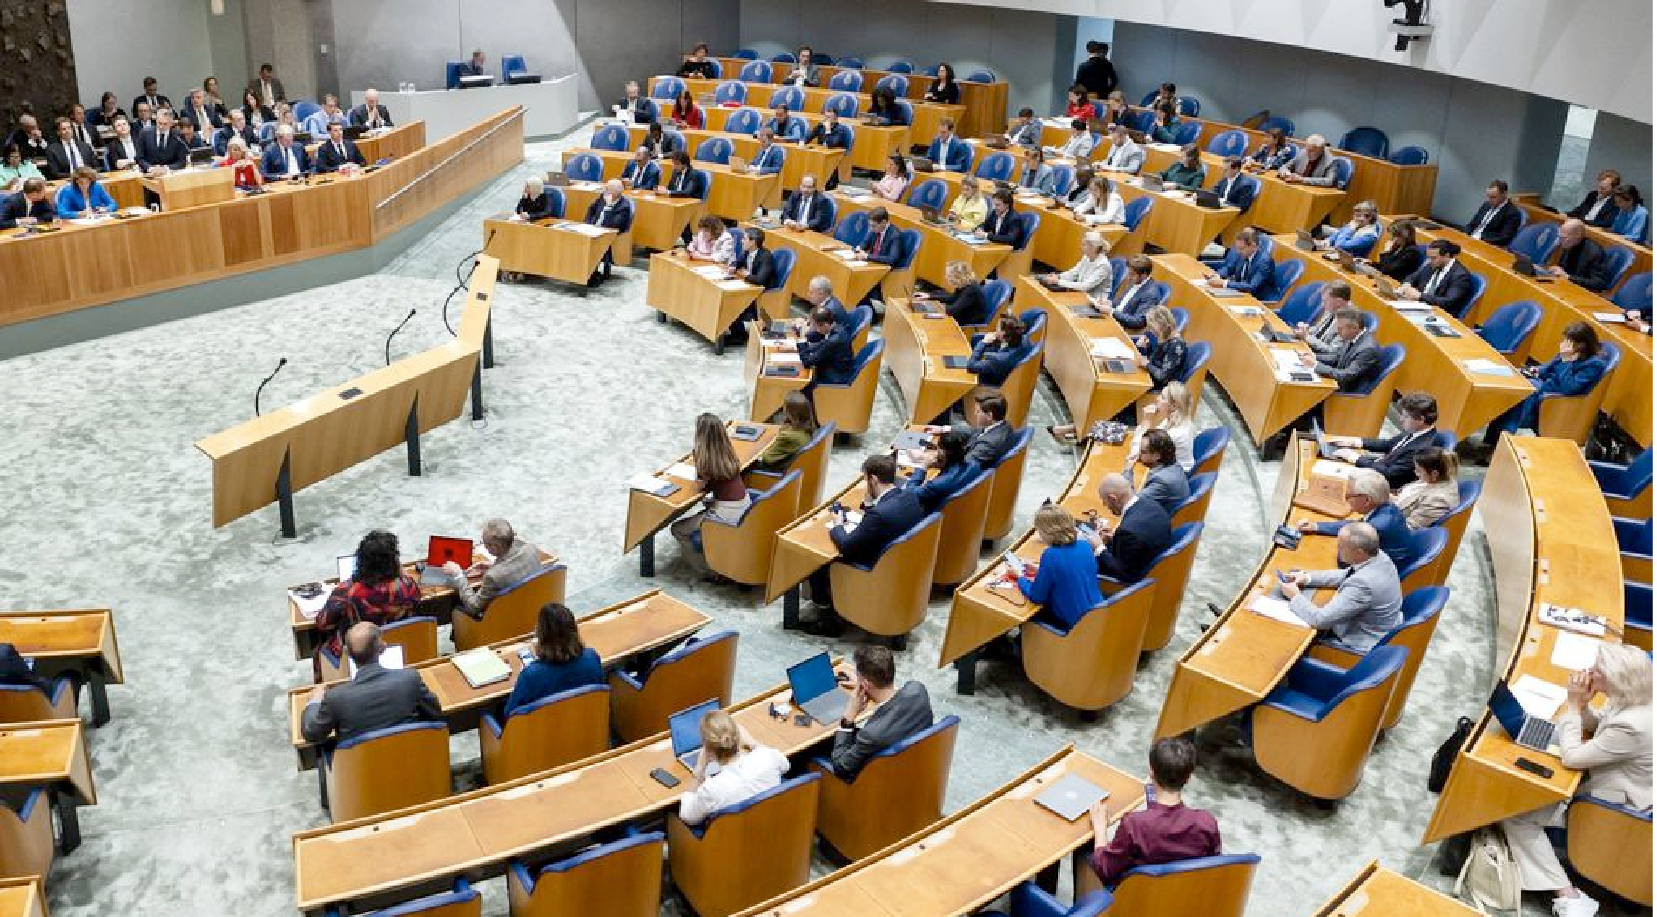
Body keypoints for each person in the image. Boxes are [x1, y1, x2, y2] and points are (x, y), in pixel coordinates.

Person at [1500, 644, 1652, 917]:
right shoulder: (1637, 695)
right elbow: (1599, 724)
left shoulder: (1632, 725)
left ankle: (1567, 895)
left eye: (1598, 670)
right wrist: (1583, 705)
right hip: (1614, 785)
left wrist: (1572, 706)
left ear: (1615, 678)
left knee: (1516, 815)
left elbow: (1571, 757)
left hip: (1619, 812)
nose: (1589, 671)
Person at [806, 456, 927, 636]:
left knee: (815, 562)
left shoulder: (878, 514)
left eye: (866, 480)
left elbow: (846, 545)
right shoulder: (910, 496)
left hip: (875, 568)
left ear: (874, 479)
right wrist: (870, 504)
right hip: (901, 562)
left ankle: (828, 622)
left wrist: (838, 524)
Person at [1088, 736, 1221, 888]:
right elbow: (1214, 866)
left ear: (1151, 772)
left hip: (1136, 896)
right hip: (1183, 894)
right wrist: (1151, 791)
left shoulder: (1134, 824)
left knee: (1084, 850)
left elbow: (1104, 868)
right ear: (1189, 778)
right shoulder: (1206, 822)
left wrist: (1100, 829)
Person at [300, 622, 440, 743]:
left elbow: (311, 733)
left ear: (347, 653)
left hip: (361, 766)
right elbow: (435, 712)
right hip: (411, 757)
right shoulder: (410, 679)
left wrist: (315, 701)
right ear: (383, 648)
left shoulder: (335, 698)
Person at [1275, 522, 1402, 652]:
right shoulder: (1379, 556)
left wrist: (1295, 596)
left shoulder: (1363, 585)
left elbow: (1320, 620)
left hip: (1362, 642)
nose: (1337, 549)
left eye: (1341, 546)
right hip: (1383, 625)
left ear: (1359, 552)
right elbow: (1346, 574)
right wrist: (1307, 578)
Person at [313, 530, 421, 678]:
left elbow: (322, 623)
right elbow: (417, 601)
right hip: (401, 646)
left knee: (318, 645)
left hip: (360, 655)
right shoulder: (407, 585)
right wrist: (400, 573)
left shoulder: (347, 592)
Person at [1485, 322, 1610, 439]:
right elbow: (1548, 367)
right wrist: (1535, 370)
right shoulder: (1571, 352)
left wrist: (1566, 361)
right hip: (1544, 384)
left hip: (1555, 397)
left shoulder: (1594, 364)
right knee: (1514, 385)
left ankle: (1504, 435)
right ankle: (1492, 438)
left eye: (1568, 341)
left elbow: (1569, 387)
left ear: (1581, 345)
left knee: (1527, 389)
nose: (1564, 344)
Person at [828, 645, 934, 776]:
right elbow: (896, 694)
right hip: (915, 768)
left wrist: (848, 718)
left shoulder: (870, 734)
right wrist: (864, 684)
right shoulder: (918, 690)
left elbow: (840, 766)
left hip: (877, 780)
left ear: (866, 684)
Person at [669, 414, 752, 579]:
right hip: (743, 505)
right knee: (707, 504)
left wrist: (697, 458)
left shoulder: (706, 460)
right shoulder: (728, 452)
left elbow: (700, 486)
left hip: (727, 514)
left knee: (678, 529)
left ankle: (711, 572)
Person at [678, 709, 789, 826]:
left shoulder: (711, 789)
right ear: (738, 737)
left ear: (708, 750)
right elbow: (785, 765)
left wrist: (699, 769)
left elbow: (687, 816)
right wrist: (753, 743)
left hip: (734, 835)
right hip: (772, 826)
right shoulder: (767, 757)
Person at [502, 603, 603, 717]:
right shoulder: (592, 657)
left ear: (541, 635)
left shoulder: (530, 676)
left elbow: (509, 716)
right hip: (586, 722)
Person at [1324, 392, 1442, 489]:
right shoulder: (1417, 431)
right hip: (1379, 466)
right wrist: (1354, 442)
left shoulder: (1422, 448)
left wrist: (1356, 458)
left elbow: (1390, 474)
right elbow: (1388, 444)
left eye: (1405, 416)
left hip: (1382, 484)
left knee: (1330, 480)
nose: (1400, 419)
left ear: (1421, 419)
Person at [1298, 468, 1412, 567]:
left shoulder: (1376, 526)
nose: (1346, 500)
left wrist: (1341, 544)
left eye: (1349, 496)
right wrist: (1316, 526)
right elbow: (1355, 525)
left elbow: (1345, 561)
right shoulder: (1389, 507)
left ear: (1367, 500)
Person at [1019, 504, 1105, 630]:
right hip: (1098, 615)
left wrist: (1020, 577)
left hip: (1073, 625)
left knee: (1026, 616)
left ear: (1047, 532)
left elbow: (1037, 597)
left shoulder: (1051, 554)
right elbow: (1070, 573)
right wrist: (1038, 570)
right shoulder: (1085, 545)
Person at [438, 518, 543, 620]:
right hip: (532, 608)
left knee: (455, 607)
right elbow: (515, 567)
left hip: (503, 620)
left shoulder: (493, 576)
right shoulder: (532, 549)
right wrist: (493, 565)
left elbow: (473, 607)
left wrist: (458, 575)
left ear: (495, 547)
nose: (485, 547)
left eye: (485, 544)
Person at [1081, 472, 1173, 583]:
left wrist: (1098, 548)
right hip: (1158, 567)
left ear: (1113, 499)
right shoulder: (1152, 505)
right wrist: (1114, 538)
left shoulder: (1128, 532)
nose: (1105, 506)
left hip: (1134, 583)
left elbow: (1123, 574)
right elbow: (1135, 546)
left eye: (1104, 502)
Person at [1302, 307, 1381, 394]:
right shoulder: (1353, 335)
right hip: (1335, 379)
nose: (1337, 332)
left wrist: (1316, 365)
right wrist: (1313, 356)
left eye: (1340, 328)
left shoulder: (1367, 349)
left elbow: (1346, 375)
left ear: (1354, 328)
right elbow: (1337, 357)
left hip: (1344, 391)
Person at [904, 428, 979, 513]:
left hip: (928, 512)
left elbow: (910, 493)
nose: (936, 451)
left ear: (943, 451)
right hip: (965, 507)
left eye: (937, 448)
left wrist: (922, 466)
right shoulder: (973, 465)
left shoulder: (937, 485)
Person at [1398, 239, 1474, 316]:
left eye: (1433, 258)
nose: (1429, 260)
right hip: (1418, 306)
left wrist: (1420, 296)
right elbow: (1413, 277)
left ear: (1446, 255)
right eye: (1429, 257)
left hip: (1438, 314)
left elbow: (1448, 301)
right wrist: (1407, 284)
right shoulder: (1433, 264)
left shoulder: (1461, 275)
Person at [1393, 447, 1460, 529]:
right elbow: (1406, 497)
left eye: (1418, 470)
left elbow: (1409, 527)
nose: (1415, 473)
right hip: (1392, 508)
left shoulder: (1438, 500)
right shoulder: (1436, 478)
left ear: (1434, 473)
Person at [947, 389, 1015, 469]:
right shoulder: (1004, 426)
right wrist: (945, 429)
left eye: (978, 411)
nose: (975, 414)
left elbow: (964, 469)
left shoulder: (987, 444)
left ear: (989, 416)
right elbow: (974, 432)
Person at [754, 392, 818, 472]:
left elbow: (767, 458)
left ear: (790, 413)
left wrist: (758, 452)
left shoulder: (787, 436)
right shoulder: (808, 428)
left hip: (772, 469)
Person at [795, 305, 855, 388]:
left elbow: (807, 362)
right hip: (836, 366)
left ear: (825, 325)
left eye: (815, 326)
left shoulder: (833, 340)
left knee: (801, 372)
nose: (814, 329)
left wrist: (801, 341)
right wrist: (803, 345)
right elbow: (821, 344)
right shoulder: (837, 327)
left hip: (836, 376)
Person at [585, 180, 633, 284]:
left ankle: (591, 273)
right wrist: (588, 224)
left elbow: (612, 225)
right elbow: (591, 209)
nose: (605, 191)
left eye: (607, 189)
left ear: (615, 193)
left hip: (610, 233)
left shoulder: (624, 206)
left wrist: (609, 207)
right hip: (593, 228)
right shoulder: (602, 197)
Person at [1042, 230, 1114, 298]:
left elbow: (1085, 286)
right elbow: (1073, 273)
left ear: (1093, 248)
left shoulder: (1103, 265)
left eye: (1084, 245)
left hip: (1094, 299)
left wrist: (1058, 281)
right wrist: (1058, 276)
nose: (1081, 247)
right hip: (1080, 293)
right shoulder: (1086, 257)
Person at [1135, 429, 1190, 515]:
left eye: (1143, 452)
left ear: (1157, 456)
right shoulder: (1173, 464)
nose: (1139, 454)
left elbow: (1133, 503)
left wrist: (1128, 470)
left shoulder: (1162, 481)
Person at [916, 261, 989, 326]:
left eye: (948, 275)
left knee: (927, 320)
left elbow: (951, 310)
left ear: (957, 277)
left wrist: (934, 307)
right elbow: (952, 298)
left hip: (967, 325)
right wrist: (929, 296)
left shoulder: (972, 290)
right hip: (960, 316)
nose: (946, 277)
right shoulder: (965, 284)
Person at [1206, 227, 1275, 295]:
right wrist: (1217, 275)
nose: (1238, 252)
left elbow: (1252, 286)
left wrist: (1224, 283)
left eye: (1241, 249)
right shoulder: (1242, 254)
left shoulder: (1264, 262)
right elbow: (1229, 268)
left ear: (1253, 246)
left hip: (1256, 297)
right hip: (1240, 292)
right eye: (1238, 248)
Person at [1548, 218, 1611, 291]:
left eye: (1564, 237)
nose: (1560, 241)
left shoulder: (1595, 253)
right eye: (1560, 237)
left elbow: (1598, 283)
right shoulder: (1569, 244)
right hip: (1566, 286)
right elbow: (1563, 269)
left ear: (1578, 235)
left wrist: (1568, 277)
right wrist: (1557, 270)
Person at [966, 314, 1027, 387]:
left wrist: (983, 342)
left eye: (997, 327)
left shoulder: (998, 359)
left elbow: (970, 367)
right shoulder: (1022, 338)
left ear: (1003, 334)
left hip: (986, 383)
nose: (995, 329)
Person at [1293, 281, 1352, 357]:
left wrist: (1307, 337)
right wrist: (1306, 330)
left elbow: (1333, 351)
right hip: (1310, 350)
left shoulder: (1349, 321)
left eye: (1325, 301)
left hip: (1321, 358)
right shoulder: (1334, 308)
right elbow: (1319, 329)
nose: (1323, 305)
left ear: (1339, 302)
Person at [1138, 306, 1188, 391]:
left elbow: (1163, 377)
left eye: (1152, 328)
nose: (1151, 331)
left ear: (1162, 325)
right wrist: (1147, 347)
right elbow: (1157, 359)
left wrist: (1147, 365)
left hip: (1158, 385)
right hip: (1150, 375)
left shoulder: (1176, 346)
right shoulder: (1165, 336)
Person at [1105, 254, 1162, 330]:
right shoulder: (1136, 281)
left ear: (1144, 275)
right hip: (1115, 319)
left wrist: (1112, 311)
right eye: (1129, 273)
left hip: (1124, 328)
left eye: (1132, 274)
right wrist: (1108, 303)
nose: (1128, 277)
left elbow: (1138, 321)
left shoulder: (1150, 295)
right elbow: (1121, 304)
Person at [1466, 179, 1522, 247]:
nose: (1489, 200)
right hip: (1470, 239)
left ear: (1504, 194)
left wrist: (1479, 239)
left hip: (1485, 245)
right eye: (1488, 196)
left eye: (1493, 197)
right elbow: (1472, 224)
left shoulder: (1512, 213)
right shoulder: (1486, 205)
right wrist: (1465, 234)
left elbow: (1504, 238)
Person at [137, 109, 189, 173]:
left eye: (165, 124)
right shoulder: (144, 133)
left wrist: (166, 169)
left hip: (170, 174)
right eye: (160, 123)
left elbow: (182, 162)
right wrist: (151, 168)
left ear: (171, 123)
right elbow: (140, 158)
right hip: (150, 173)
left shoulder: (178, 135)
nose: (161, 127)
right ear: (156, 120)